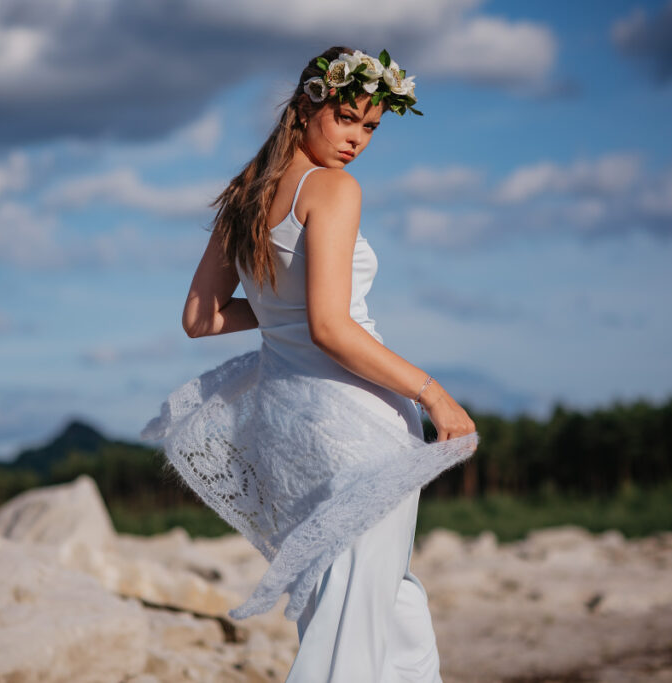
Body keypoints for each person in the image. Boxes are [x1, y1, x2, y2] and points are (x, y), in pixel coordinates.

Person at [141, 45, 479, 682]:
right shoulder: (332, 189)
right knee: (353, 619)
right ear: (304, 106)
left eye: (371, 127)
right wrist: (433, 393)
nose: (357, 140)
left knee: (382, 606)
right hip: (358, 425)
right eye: (346, 118)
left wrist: (281, 313)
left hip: (289, 430)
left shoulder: (244, 195)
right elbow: (330, 327)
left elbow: (201, 317)